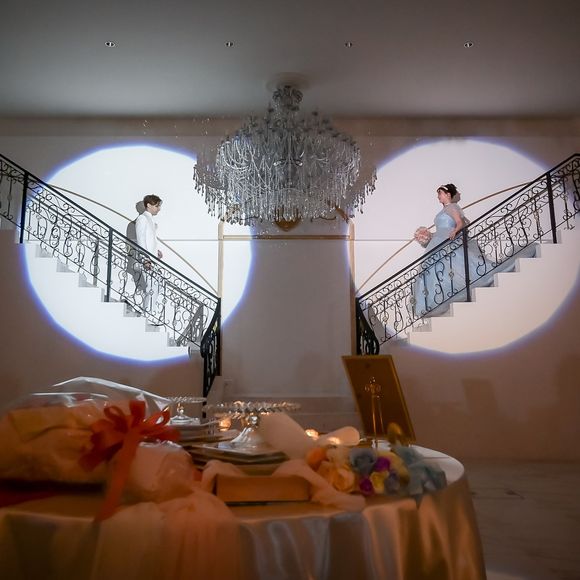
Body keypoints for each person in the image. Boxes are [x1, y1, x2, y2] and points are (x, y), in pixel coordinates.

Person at [413, 183, 490, 317]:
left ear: (448, 194)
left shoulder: (452, 207)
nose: (438, 196)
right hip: (439, 240)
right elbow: (442, 229)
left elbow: (460, 222)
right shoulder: (444, 210)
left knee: (451, 266)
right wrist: (427, 235)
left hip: (448, 240)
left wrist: (454, 231)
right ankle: (440, 298)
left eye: (440, 193)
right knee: (437, 269)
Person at [133, 194, 164, 323]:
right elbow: (141, 240)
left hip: (152, 259)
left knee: (155, 287)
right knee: (152, 288)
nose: (159, 209)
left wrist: (156, 251)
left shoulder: (150, 219)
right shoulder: (142, 218)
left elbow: (149, 239)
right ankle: (147, 316)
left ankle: (148, 315)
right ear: (148, 205)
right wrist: (146, 258)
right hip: (147, 260)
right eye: (157, 206)